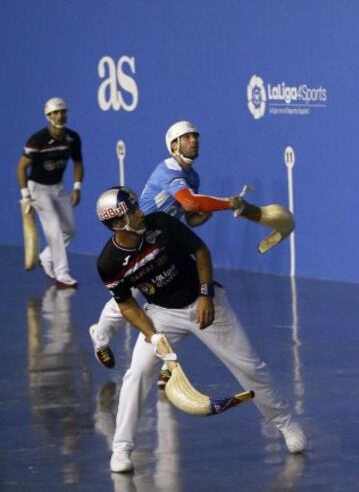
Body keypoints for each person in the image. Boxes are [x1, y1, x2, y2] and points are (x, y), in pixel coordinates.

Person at [94, 185, 307, 473]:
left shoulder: (162, 224)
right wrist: (152, 335)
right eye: (132, 211)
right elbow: (126, 304)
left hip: (205, 303)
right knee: (137, 374)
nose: (139, 213)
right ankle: (121, 449)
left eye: (136, 206)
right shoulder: (108, 263)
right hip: (161, 314)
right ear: (117, 223)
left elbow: (200, 251)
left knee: (249, 367)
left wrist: (205, 295)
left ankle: (286, 424)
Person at [89, 121, 257, 378]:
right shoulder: (168, 170)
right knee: (122, 303)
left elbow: (192, 217)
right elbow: (189, 203)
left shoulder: (193, 177)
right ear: (173, 145)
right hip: (137, 243)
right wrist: (227, 202)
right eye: (186, 137)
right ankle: (99, 338)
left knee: (176, 304)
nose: (193, 140)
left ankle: (167, 366)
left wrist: (209, 211)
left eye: (195, 136)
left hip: (161, 243)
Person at [16, 97, 84, 288]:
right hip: (37, 189)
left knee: (69, 229)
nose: (60, 116)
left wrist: (77, 187)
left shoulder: (72, 138)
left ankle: (46, 257)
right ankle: (62, 274)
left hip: (58, 187)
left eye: (63, 112)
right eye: (55, 113)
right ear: (48, 116)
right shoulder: (38, 140)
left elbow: (78, 163)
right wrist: (25, 195)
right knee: (53, 228)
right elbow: (21, 168)